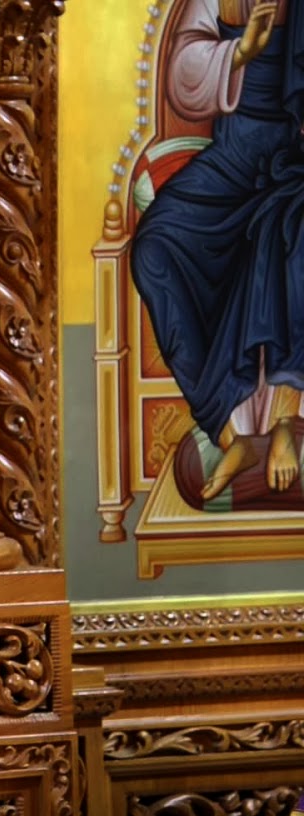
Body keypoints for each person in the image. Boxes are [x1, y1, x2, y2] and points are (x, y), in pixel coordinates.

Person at [130, 0, 304, 501]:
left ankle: (285, 424)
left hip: (293, 157)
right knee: (155, 248)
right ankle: (231, 436)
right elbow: (182, 78)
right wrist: (239, 52)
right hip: (231, 159)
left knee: (289, 229)